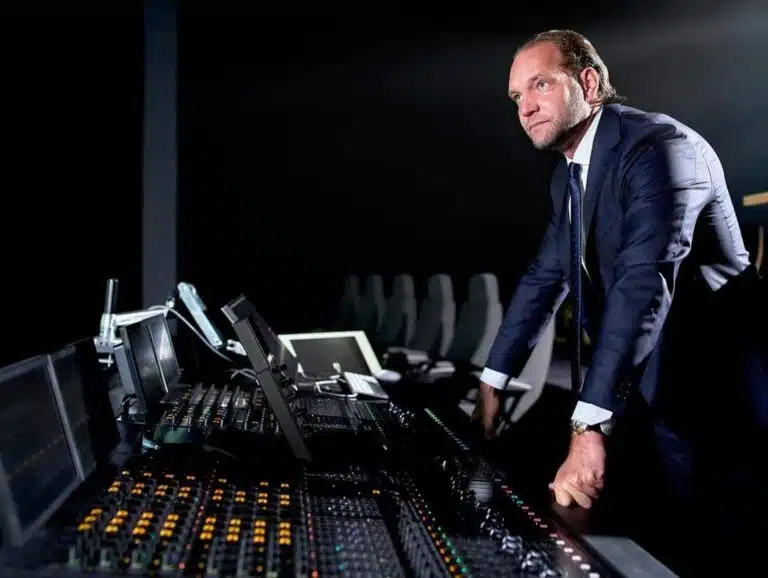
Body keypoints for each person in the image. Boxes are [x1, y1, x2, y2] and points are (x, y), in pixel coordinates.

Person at [478, 30, 766, 575]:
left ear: (588, 83)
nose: (526, 107)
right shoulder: (568, 177)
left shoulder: (660, 148)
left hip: (709, 395)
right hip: (645, 384)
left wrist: (587, 427)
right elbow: (545, 277)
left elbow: (643, 281)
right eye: (517, 96)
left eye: (540, 84)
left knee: (710, 550)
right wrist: (493, 380)